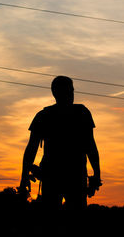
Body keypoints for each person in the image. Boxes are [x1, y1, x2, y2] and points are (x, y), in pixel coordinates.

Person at [19, 76, 101, 210]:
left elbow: (91, 147)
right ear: (56, 93)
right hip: (68, 176)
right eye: (69, 90)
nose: (71, 94)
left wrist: (24, 178)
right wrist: (96, 176)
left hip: (61, 176)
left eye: (72, 90)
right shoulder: (80, 113)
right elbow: (91, 147)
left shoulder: (45, 115)